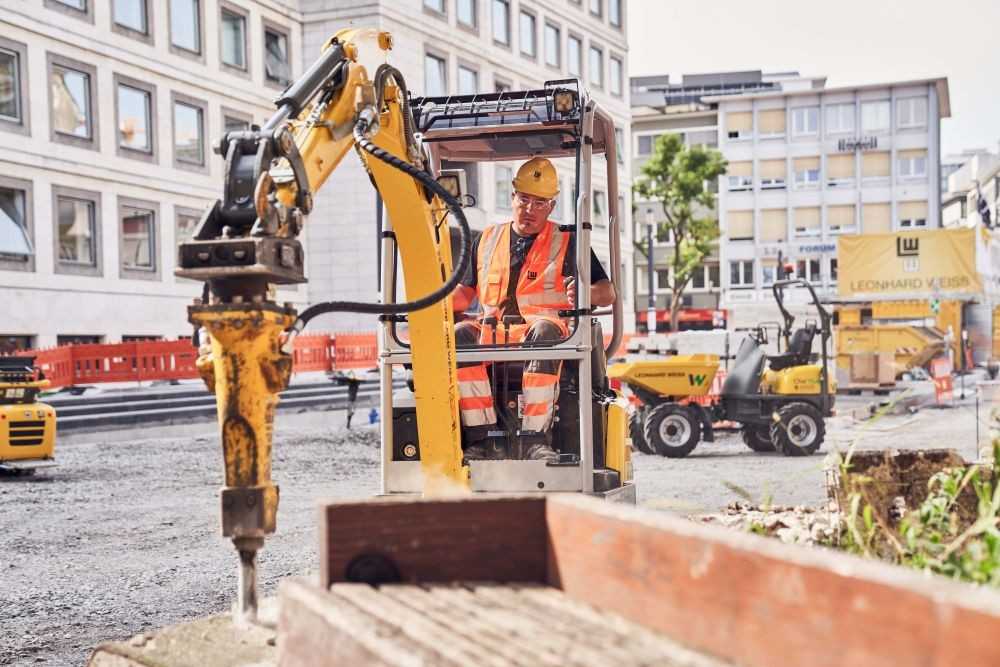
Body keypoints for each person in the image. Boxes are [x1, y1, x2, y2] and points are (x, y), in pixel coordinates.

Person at [450, 157, 616, 462]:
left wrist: (586, 292)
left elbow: (608, 293)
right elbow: (464, 294)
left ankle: (535, 439)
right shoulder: (486, 239)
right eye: (524, 199)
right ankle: (482, 439)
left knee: (544, 330)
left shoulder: (568, 239)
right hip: (494, 334)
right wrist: (431, 301)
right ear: (512, 197)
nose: (529, 209)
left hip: (543, 333)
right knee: (459, 334)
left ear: (551, 207)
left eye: (539, 203)